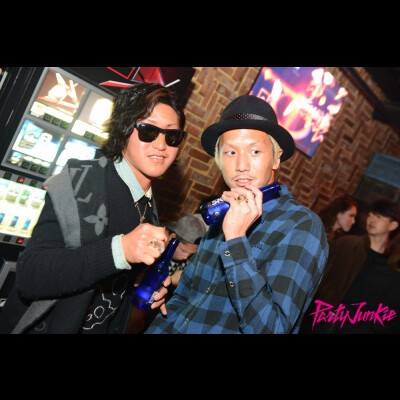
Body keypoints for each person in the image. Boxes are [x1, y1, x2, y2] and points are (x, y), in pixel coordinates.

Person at [0, 82, 187, 334]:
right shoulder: (81, 181)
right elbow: (30, 276)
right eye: (148, 130)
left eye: (172, 136)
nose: (161, 145)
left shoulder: (149, 205)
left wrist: (138, 281)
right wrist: (119, 250)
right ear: (124, 129)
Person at [146, 95, 329, 334]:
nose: (241, 165)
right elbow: (185, 296)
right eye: (231, 152)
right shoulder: (222, 213)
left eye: (255, 151)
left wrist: (235, 240)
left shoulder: (301, 226)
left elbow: (272, 328)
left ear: (276, 158)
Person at [308, 199, 400, 333]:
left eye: (379, 216)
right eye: (371, 214)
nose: (372, 219)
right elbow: (318, 278)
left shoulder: (392, 266)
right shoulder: (345, 244)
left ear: (392, 225)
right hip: (319, 322)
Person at [166, 214, 208, 287]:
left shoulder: (188, 263)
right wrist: (171, 280)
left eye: (191, 254)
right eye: (183, 251)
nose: (185, 257)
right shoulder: (155, 251)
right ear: (172, 237)